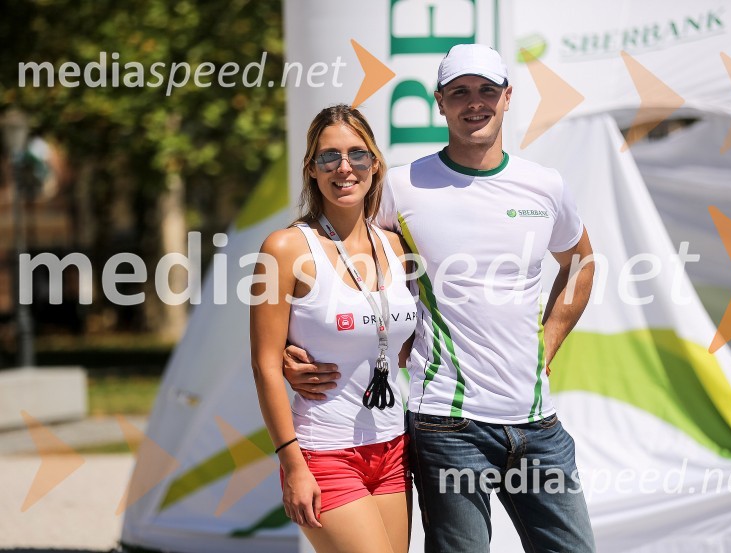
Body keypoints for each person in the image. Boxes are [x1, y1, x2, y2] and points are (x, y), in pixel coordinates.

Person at [285, 44, 597, 552]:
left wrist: (548, 343)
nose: (475, 103)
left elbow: (581, 265)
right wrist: (287, 352)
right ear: (439, 102)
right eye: (460, 93)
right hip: (448, 426)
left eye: (486, 91)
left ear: (507, 97)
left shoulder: (546, 186)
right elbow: (333, 268)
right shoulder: (400, 189)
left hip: (538, 424)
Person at [250, 104, 417, 553]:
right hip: (322, 451)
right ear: (311, 168)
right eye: (329, 157)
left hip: (394, 448)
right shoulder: (285, 248)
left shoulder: (397, 247)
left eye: (357, 155)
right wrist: (293, 464)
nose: (344, 168)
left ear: (374, 163)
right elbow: (266, 366)